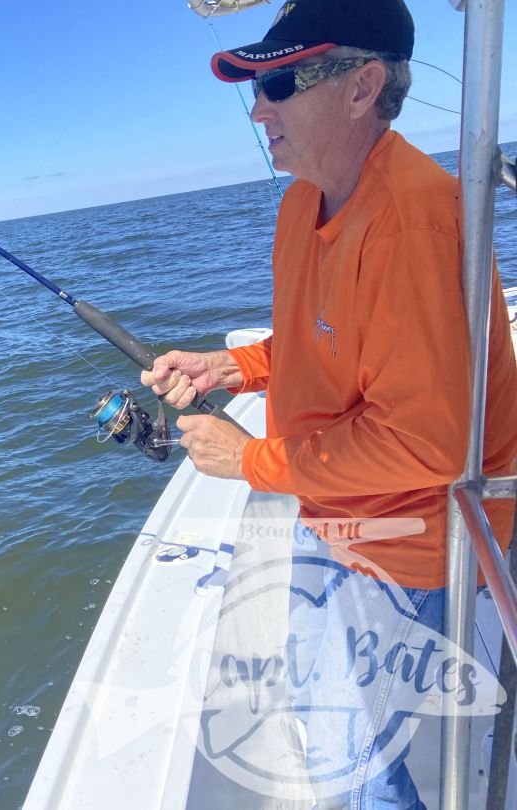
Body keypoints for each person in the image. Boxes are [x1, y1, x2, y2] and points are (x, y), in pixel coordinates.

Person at [141, 0, 517, 806]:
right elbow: (324, 342)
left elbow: (427, 447)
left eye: (278, 81)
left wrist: (249, 461)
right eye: (256, 84)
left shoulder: (414, 220)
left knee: (354, 774)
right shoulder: (302, 200)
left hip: (404, 537)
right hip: (338, 514)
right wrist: (227, 368)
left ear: (361, 86)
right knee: (328, 732)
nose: (258, 106)